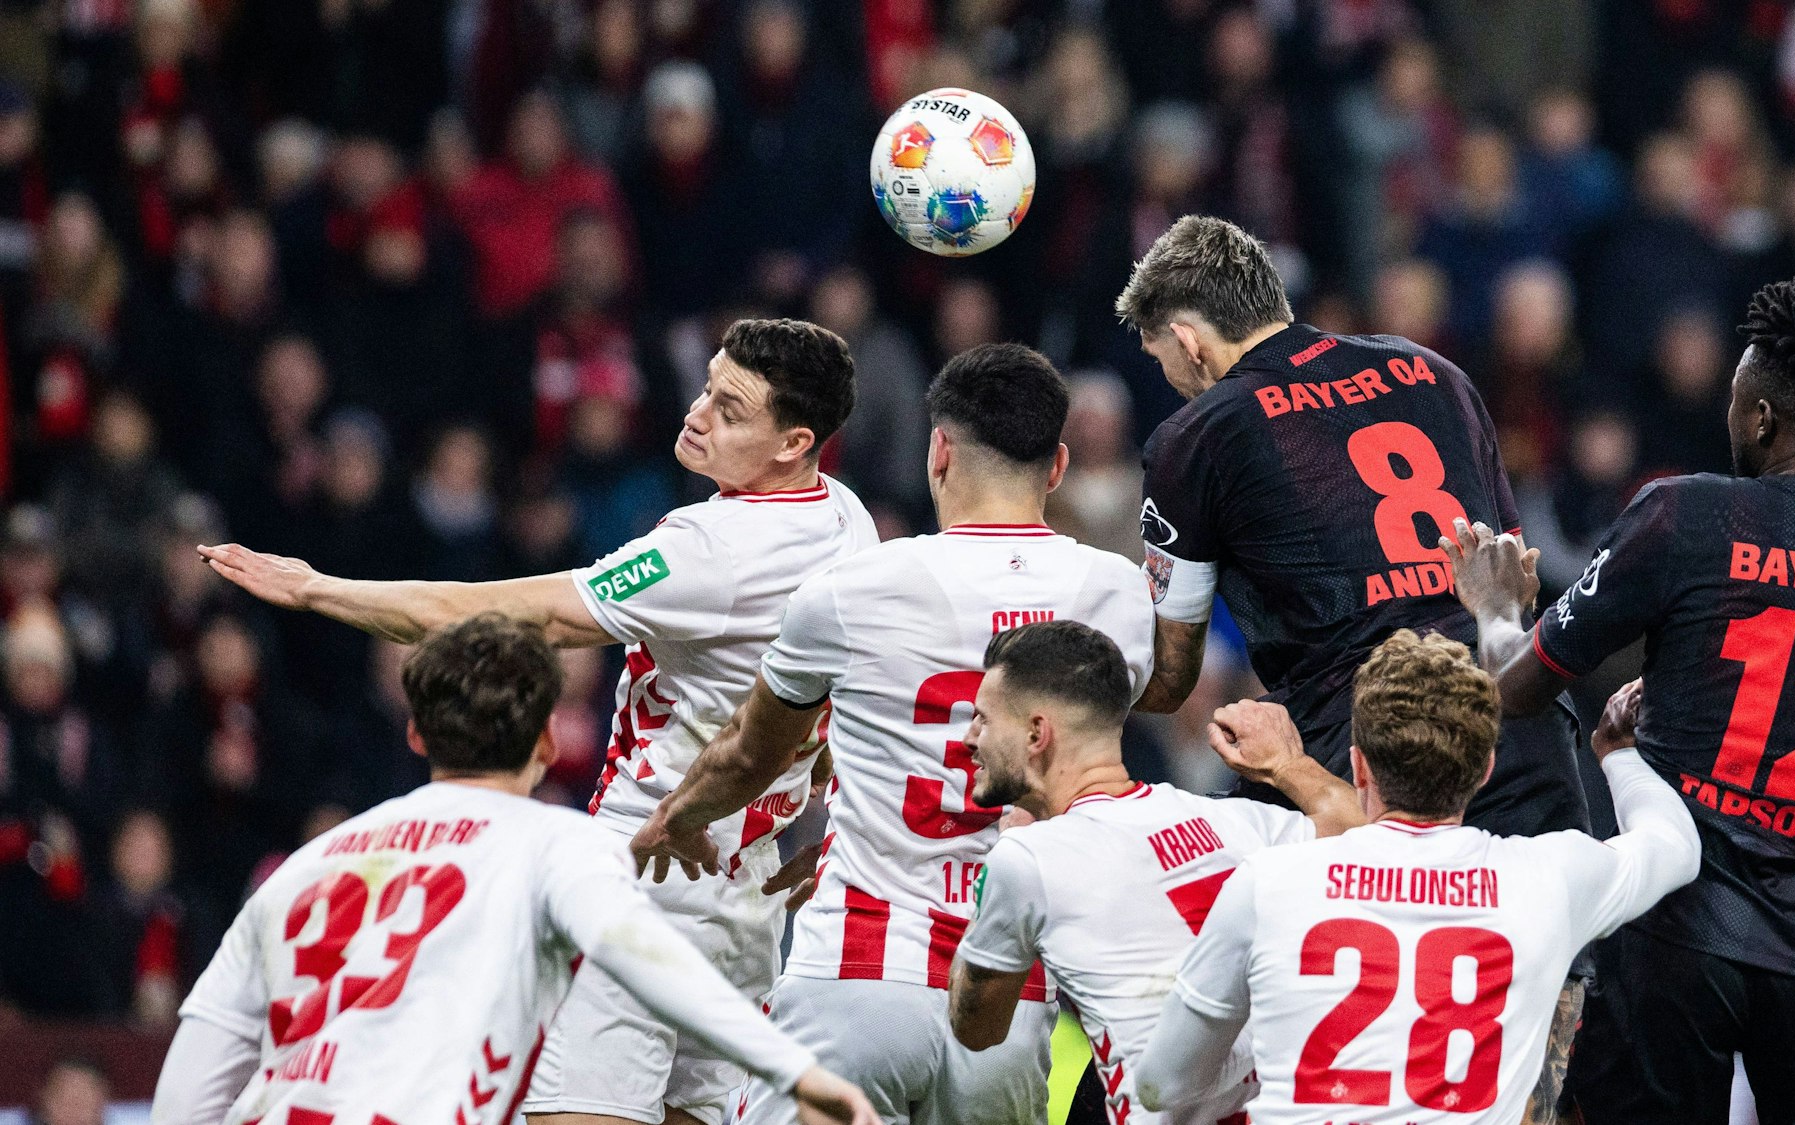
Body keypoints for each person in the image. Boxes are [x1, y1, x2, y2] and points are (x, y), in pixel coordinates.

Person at [193, 317, 877, 1125]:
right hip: (745, 903)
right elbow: (853, 692)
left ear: (794, 441)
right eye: (706, 388)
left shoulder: (712, 549)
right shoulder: (846, 519)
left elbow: (501, 614)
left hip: (644, 879)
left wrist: (318, 589)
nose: (696, 413)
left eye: (730, 410)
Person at [1447, 272, 1795, 1124]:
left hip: (1672, 936)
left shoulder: (1684, 515)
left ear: (1760, 416)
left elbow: (1516, 690)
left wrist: (1498, 607)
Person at [1116, 214, 1596, 1088]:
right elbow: (1504, 577)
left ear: (1186, 341)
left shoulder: (1200, 435)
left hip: (1375, 759)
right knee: (1543, 1038)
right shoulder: (1436, 373)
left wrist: (1090, 680)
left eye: (1161, 362)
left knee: (1412, 1059)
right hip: (1515, 725)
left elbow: (1173, 667)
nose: (1173, 382)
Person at [632, 344, 1157, 1125]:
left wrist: (680, 812)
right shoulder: (1117, 598)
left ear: (938, 451)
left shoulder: (854, 588)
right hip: (1007, 1006)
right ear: (1057, 467)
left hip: (856, 974)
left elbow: (753, 749)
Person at [149, 615, 879, 1125]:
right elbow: (656, 961)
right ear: (543, 741)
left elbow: (186, 1099)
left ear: (414, 732)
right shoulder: (558, 846)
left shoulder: (299, 872)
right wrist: (796, 1070)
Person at [1132, 631, 1699, 1125]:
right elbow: (1676, 847)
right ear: (1484, 772)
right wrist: (1618, 753)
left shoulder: (1268, 881)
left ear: (1357, 766)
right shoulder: (1552, 878)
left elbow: (1161, 1085)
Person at [946, 619, 1363, 1125]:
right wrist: (1285, 762)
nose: (970, 738)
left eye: (984, 719)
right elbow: (1355, 829)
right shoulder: (1222, 820)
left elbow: (977, 1028)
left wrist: (994, 889)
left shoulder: (1026, 858)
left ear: (1037, 734)